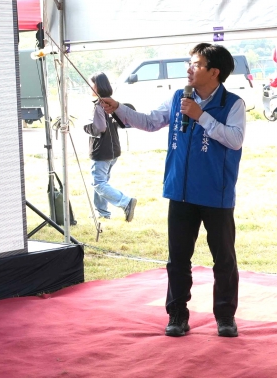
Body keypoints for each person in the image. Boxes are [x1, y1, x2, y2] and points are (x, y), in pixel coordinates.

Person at [101, 44, 245, 338]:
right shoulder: (180, 96)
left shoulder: (233, 104)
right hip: (180, 191)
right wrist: (119, 109)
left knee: (224, 259)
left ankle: (225, 316)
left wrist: (201, 116)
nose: (189, 69)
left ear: (214, 72)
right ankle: (177, 314)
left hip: (216, 194)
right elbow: (151, 121)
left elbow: (235, 139)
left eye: (196, 64)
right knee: (178, 258)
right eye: (190, 63)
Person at [83, 73, 136, 221]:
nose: (90, 87)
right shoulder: (112, 103)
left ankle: (125, 202)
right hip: (114, 150)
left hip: (101, 151)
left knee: (98, 183)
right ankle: (102, 212)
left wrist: (85, 127)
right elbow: (122, 123)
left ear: (97, 86)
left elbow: (100, 128)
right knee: (102, 182)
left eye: (91, 84)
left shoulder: (98, 105)